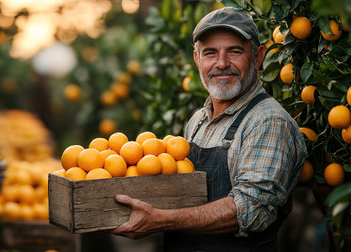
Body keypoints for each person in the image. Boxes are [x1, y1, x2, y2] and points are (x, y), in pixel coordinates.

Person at [111, 7, 307, 251]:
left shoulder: (267, 121)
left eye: (234, 51)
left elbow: (252, 209)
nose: (222, 63)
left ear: (258, 57)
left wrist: (160, 219)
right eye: (210, 53)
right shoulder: (197, 121)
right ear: (197, 60)